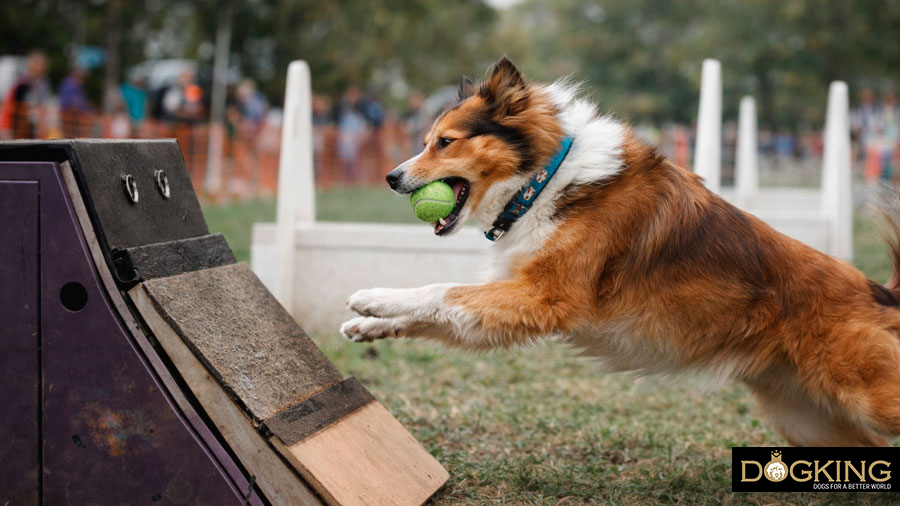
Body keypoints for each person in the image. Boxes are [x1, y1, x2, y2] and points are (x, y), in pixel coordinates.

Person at [0, 51, 50, 139]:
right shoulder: (22, 84)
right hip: (18, 129)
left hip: (28, 129)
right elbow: (13, 106)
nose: (43, 68)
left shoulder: (39, 84)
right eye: (40, 64)